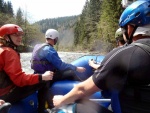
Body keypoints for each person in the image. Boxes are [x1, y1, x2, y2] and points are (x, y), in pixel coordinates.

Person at [53, 1, 150, 113]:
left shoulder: (125, 54)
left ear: (130, 28)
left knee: (70, 107)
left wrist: (61, 100)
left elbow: (82, 90)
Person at [0, 24, 54, 113]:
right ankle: (42, 110)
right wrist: (42, 77)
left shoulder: (2, 50)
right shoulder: (9, 52)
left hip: (3, 92)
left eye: (20, 35)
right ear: (6, 37)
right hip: (5, 95)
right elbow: (19, 80)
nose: (20, 37)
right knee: (44, 81)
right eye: (15, 35)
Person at [31, 29, 85, 108]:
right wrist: (76, 68)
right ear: (54, 38)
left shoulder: (37, 46)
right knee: (71, 72)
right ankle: (83, 86)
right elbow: (61, 66)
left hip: (37, 74)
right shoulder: (50, 50)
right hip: (48, 76)